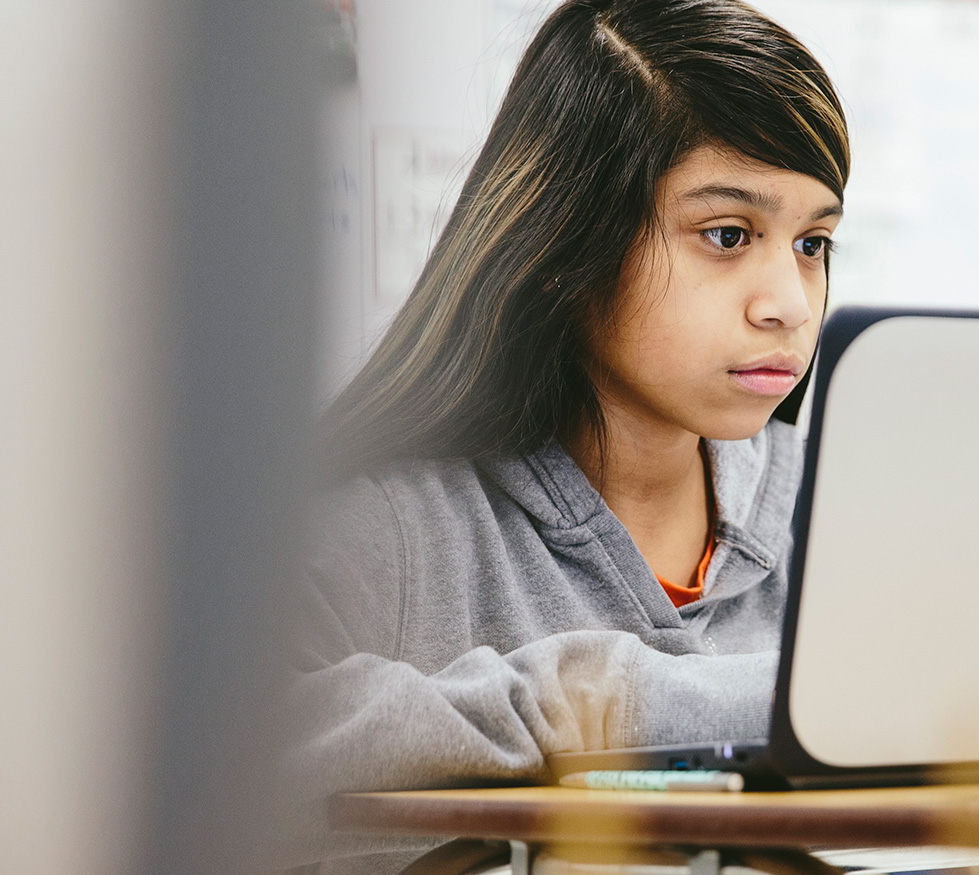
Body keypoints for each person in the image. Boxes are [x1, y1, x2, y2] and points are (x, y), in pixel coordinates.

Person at [279, 2, 848, 871]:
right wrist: (591, 701)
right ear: (570, 243)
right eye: (727, 235)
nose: (789, 302)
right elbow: (213, 762)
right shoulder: (386, 532)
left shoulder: (844, 505)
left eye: (811, 243)